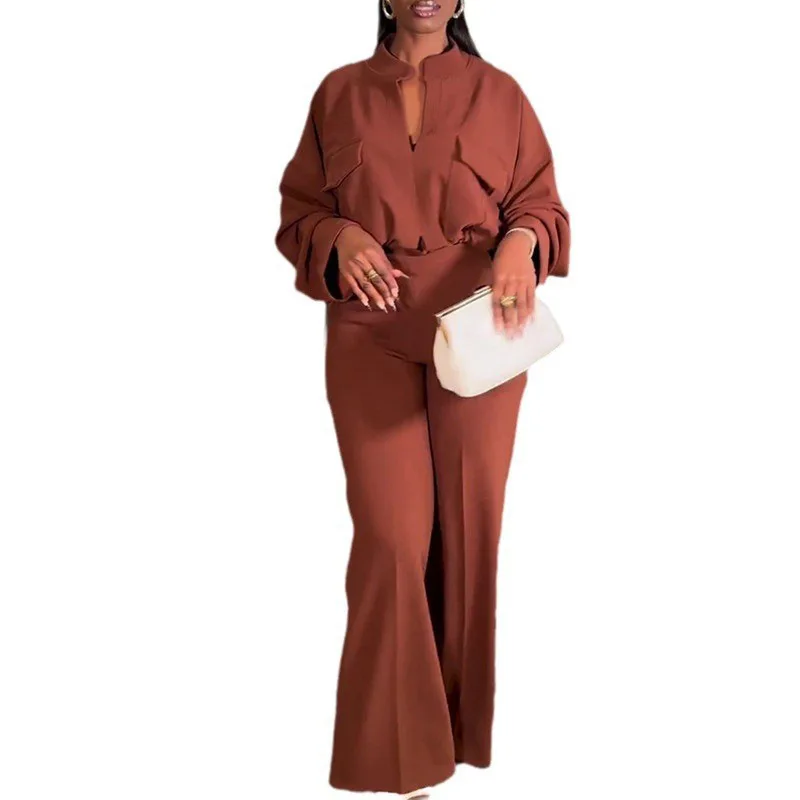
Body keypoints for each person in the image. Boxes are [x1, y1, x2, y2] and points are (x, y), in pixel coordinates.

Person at [275, 1, 570, 796]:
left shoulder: (501, 93)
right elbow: (300, 213)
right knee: (392, 536)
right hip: (368, 330)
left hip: (480, 324)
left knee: (470, 531)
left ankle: (453, 738)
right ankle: (400, 763)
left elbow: (542, 205)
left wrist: (519, 243)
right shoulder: (338, 92)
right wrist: (341, 237)